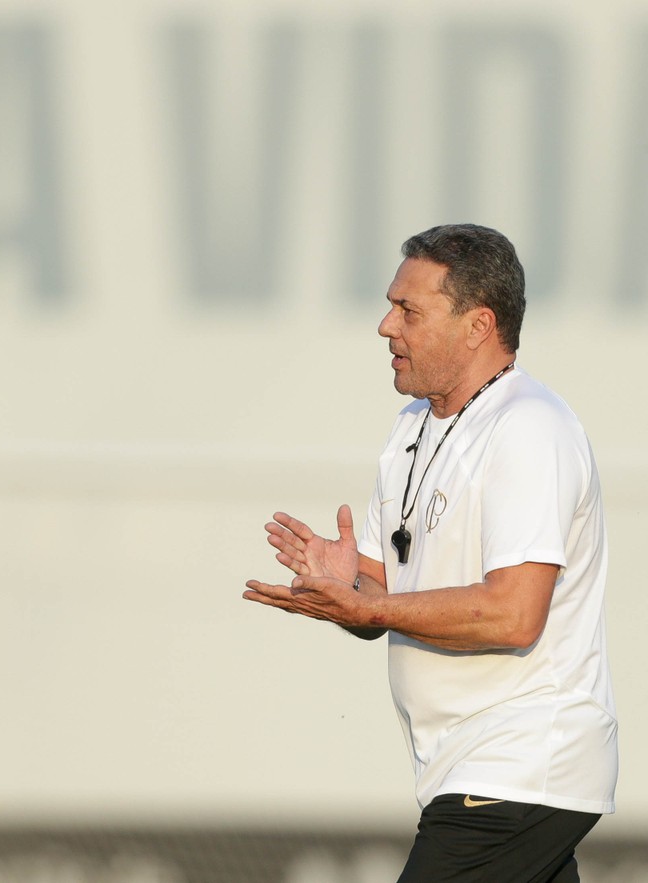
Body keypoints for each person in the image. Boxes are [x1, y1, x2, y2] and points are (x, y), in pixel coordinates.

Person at [242, 224, 616, 883]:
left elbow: (513, 614)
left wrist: (374, 603)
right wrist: (348, 585)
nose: (386, 326)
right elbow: (387, 599)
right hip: (472, 766)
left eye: (409, 310)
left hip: (519, 765)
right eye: (390, 305)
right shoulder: (412, 429)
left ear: (477, 326)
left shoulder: (528, 427)